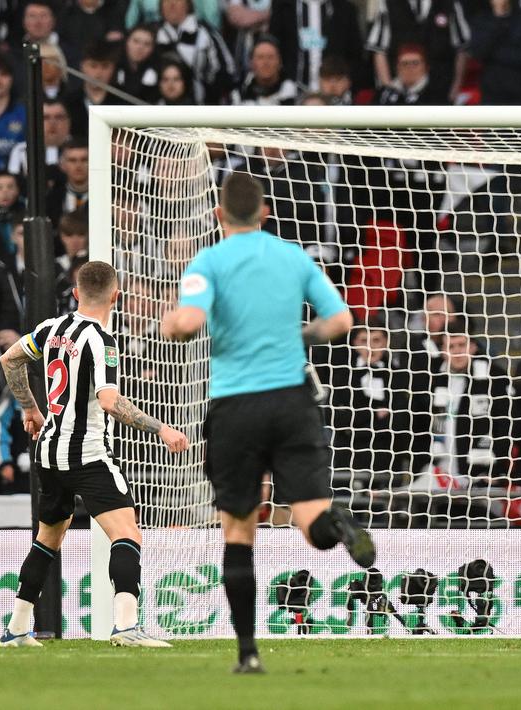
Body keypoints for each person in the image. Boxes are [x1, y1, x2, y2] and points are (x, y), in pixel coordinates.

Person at [160, 173, 371, 673]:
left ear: (217, 216)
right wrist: (301, 334)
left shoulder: (208, 261)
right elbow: (341, 323)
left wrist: (169, 323)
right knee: (312, 524)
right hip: (293, 403)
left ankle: (248, 653)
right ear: (265, 213)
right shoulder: (293, 255)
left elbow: (187, 323)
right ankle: (337, 523)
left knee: (238, 530)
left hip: (237, 407)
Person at [0, 261, 189, 648]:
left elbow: (10, 359)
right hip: (86, 455)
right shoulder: (101, 341)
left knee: (47, 539)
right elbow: (109, 401)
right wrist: (161, 428)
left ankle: (17, 628)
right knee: (127, 533)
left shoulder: (51, 329)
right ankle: (126, 626)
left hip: (49, 454)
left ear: (75, 293)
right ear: (116, 296)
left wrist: (30, 409)